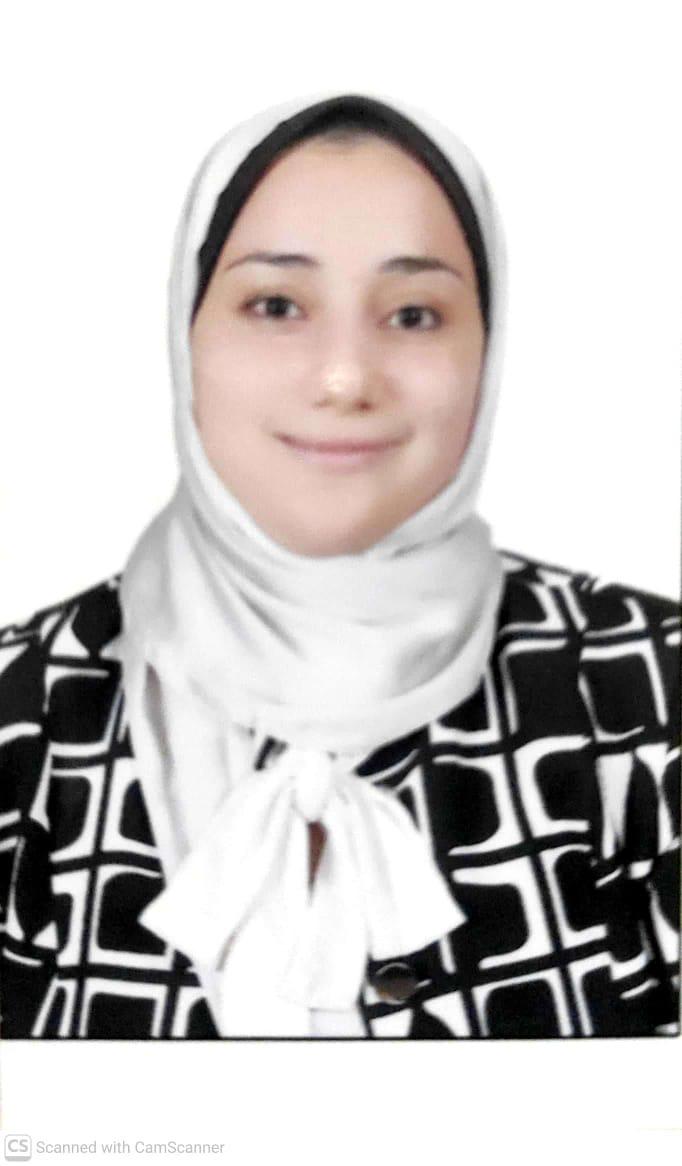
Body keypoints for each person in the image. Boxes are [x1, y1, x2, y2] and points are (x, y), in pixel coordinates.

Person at [0, 89, 679, 1041]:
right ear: (185, 336)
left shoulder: (648, 691)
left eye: (414, 314)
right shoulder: (23, 709)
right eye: (276, 305)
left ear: (488, 350)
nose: (345, 377)